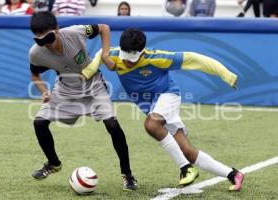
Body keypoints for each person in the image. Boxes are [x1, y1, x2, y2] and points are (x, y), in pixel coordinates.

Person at [84, 28, 245, 191]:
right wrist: (87, 72)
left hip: (168, 96)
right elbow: (99, 55)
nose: (127, 62)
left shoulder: (157, 58)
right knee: (186, 150)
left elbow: (195, 59)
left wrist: (226, 74)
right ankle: (233, 174)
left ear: (142, 52)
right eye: (126, 57)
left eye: (132, 59)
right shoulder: (114, 55)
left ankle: (185, 169)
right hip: (152, 106)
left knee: (151, 125)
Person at [28, 11, 137, 190]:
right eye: (39, 40)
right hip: (65, 89)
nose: (45, 44)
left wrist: (105, 55)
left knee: (113, 125)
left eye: (48, 38)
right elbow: (34, 74)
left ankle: (128, 174)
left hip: (93, 84)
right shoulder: (35, 53)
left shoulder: (75, 32)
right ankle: (53, 163)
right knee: (39, 123)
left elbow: (104, 28)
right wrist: (44, 91)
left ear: (57, 29)